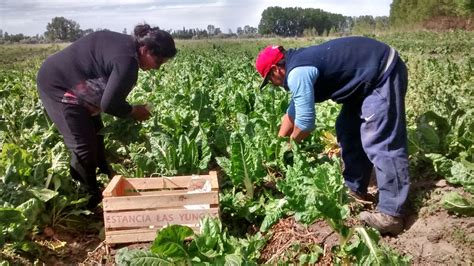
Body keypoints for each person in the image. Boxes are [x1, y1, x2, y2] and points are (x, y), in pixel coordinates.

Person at [255, 36, 409, 235]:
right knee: (347, 128)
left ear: (276, 70)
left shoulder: (297, 74)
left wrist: (290, 148)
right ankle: (355, 189)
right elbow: (293, 113)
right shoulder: (298, 65)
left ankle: (392, 214)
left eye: (270, 81)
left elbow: (305, 123)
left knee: (380, 140)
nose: (274, 85)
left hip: (382, 73)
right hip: (362, 82)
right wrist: (278, 147)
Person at [37, 24, 177, 209]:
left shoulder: (126, 47)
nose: (157, 68)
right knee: (84, 148)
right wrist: (134, 111)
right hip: (59, 86)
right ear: (145, 49)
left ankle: (104, 183)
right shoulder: (127, 61)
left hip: (79, 87)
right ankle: (87, 199)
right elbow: (110, 104)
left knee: (97, 137)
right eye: (157, 62)